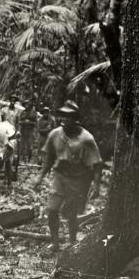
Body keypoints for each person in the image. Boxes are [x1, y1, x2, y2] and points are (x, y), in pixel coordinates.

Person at [34, 101, 102, 252]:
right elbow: (49, 159)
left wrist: (96, 185)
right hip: (60, 176)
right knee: (52, 210)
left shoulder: (86, 139)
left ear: (76, 119)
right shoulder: (55, 134)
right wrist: (40, 177)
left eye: (69, 117)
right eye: (63, 116)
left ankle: (72, 241)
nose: (65, 120)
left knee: (72, 213)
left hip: (78, 179)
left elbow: (97, 163)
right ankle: (55, 242)